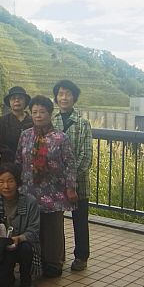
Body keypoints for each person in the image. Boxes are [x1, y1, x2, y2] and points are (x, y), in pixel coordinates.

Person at [16, 95, 77, 278]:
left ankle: (54, 262)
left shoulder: (61, 138)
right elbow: (18, 159)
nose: (38, 116)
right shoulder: (25, 135)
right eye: (34, 112)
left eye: (42, 112)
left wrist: (71, 187)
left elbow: (70, 164)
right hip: (29, 189)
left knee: (53, 228)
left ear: (50, 114)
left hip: (54, 191)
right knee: (34, 226)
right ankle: (37, 260)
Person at [52, 80, 92, 272]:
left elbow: (86, 156)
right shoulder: (52, 121)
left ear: (74, 97)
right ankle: (57, 255)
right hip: (56, 183)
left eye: (68, 94)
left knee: (80, 220)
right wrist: (60, 178)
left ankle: (81, 257)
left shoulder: (83, 124)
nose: (64, 97)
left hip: (79, 183)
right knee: (55, 221)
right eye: (60, 94)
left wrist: (71, 180)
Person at [0, 163, 40, 287]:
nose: (6, 186)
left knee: (26, 248)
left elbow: (34, 230)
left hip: (21, 244)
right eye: (1, 181)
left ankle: (26, 278)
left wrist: (19, 239)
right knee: (3, 283)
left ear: (18, 182)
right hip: (0, 247)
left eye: (10, 181)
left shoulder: (30, 202)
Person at [0, 86, 33, 165]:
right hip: (7, 163)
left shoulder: (33, 121)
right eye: (13, 98)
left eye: (20, 98)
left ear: (25, 101)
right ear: (9, 102)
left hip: (29, 164)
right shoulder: (3, 120)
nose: (17, 100)